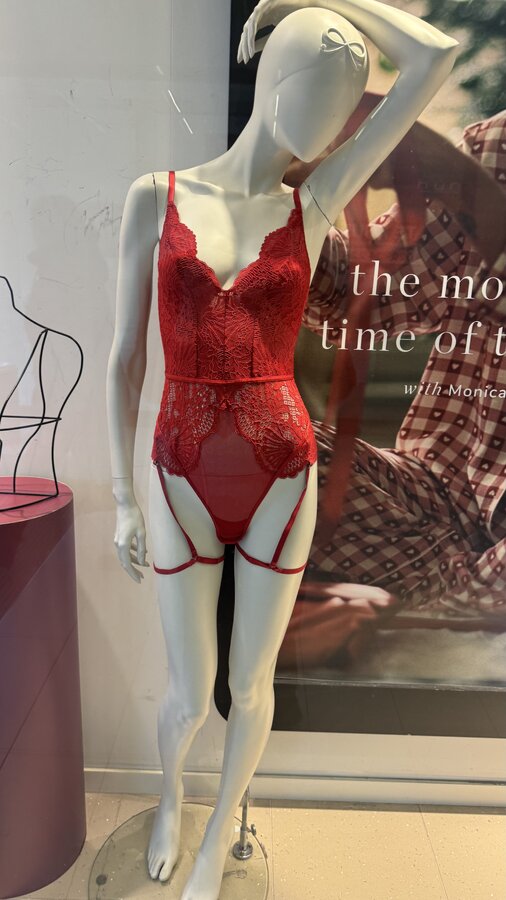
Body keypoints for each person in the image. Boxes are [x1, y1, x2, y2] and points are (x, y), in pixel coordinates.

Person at [106, 2, 457, 897]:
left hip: (281, 471)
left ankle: (222, 833)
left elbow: (434, 58)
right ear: (274, 81)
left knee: (252, 686)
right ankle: (173, 800)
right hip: (178, 469)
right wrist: (120, 495)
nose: (334, 119)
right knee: (190, 694)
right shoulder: (156, 195)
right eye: (323, 92)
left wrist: (323, 6)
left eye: (347, 101)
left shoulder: (316, 201)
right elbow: (124, 358)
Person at [277, 110, 506, 670]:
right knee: (265, 439)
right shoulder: (497, 147)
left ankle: (424, 625)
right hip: (442, 500)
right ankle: (433, 619)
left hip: (466, 564)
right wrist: (286, 197)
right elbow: (361, 293)